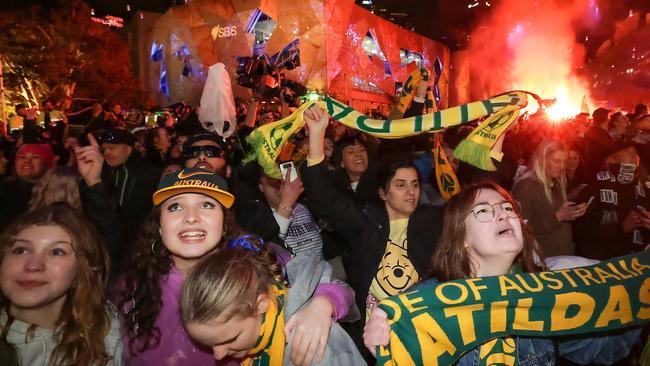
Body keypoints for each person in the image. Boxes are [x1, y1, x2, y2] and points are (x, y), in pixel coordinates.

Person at [363, 181, 640, 365]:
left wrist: (638, 295)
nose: (503, 215)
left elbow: (598, 350)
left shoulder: (546, 294)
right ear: (461, 238)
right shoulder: (426, 302)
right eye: (483, 211)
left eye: (508, 208)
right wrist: (388, 344)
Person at [115, 167, 354, 365]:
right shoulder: (135, 283)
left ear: (223, 219)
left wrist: (322, 306)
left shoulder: (253, 261)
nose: (190, 217)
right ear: (159, 226)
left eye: (206, 205)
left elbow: (333, 285)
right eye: (175, 207)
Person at [180, 235, 366, 365]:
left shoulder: (315, 348)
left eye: (232, 338)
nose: (219, 356)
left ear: (261, 304)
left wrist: (324, 303)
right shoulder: (258, 338)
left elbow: (349, 295)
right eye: (210, 344)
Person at [0, 203, 122, 365]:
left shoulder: (108, 339)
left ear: (81, 268)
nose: (33, 265)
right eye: (21, 250)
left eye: (57, 252)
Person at [574, 142, 649, 259]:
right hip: (604, 267)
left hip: (638, 266)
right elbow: (583, 236)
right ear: (611, 159)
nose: (635, 156)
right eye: (628, 151)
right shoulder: (593, 191)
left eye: (636, 153)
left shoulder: (644, 192)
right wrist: (621, 228)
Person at [512, 139, 585, 257]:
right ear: (542, 159)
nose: (562, 166)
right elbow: (521, 232)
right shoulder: (526, 186)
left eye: (564, 161)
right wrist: (558, 216)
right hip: (543, 263)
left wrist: (573, 211)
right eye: (557, 161)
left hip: (563, 257)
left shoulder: (555, 182)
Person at [0, 143, 54, 229]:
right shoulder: (4, 189)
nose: (27, 161)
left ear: (46, 164)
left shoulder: (54, 189)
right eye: (22, 157)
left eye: (35, 157)